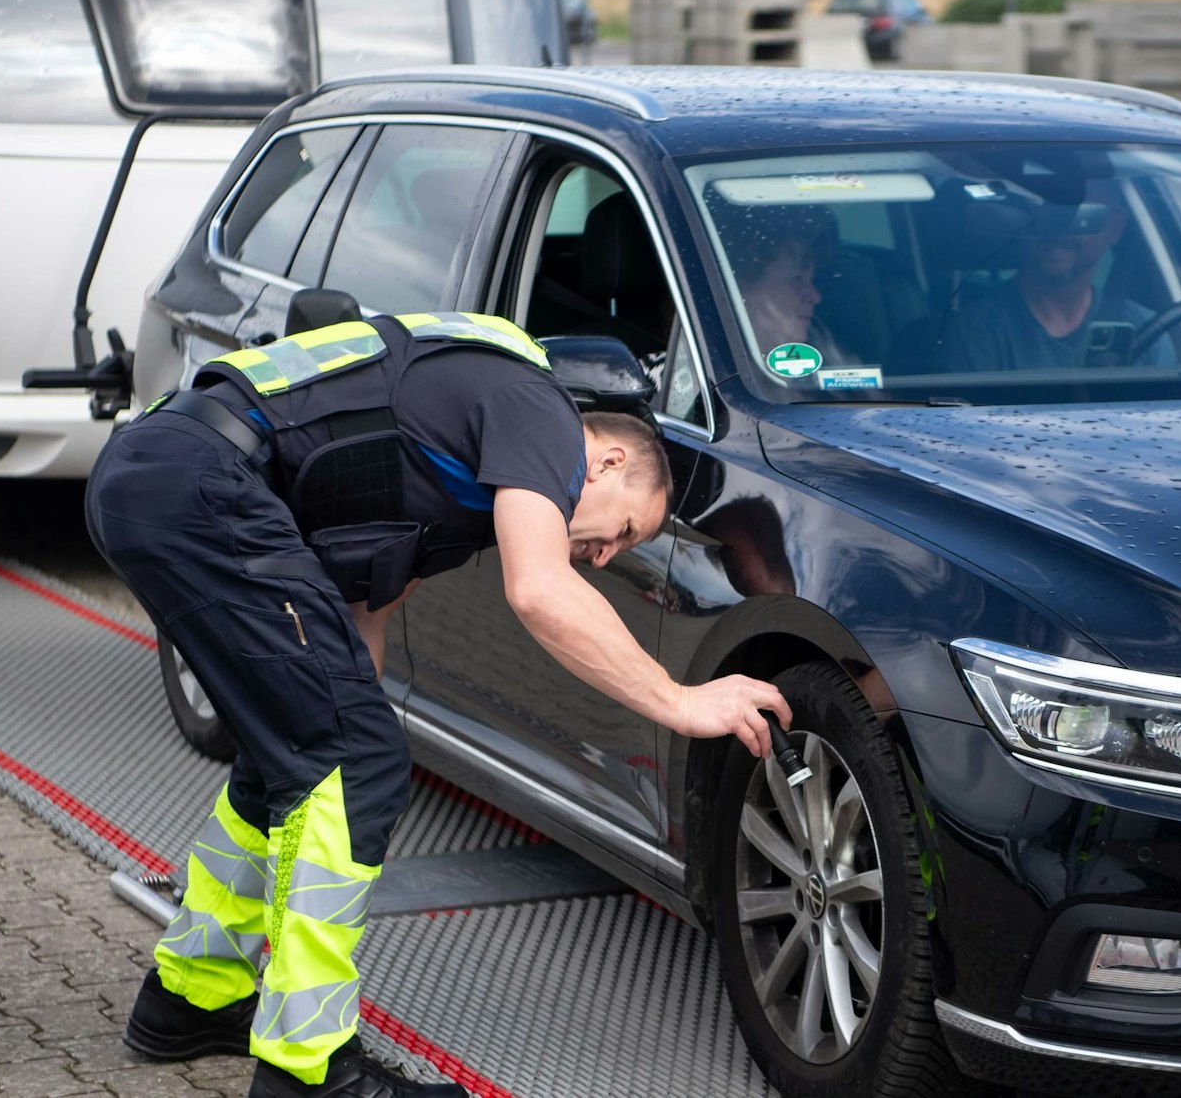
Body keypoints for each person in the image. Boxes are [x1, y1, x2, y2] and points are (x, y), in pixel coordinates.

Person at [85, 311, 790, 1098]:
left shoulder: (453, 488)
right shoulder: (538, 411)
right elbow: (541, 590)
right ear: (608, 459)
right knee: (353, 763)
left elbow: (362, 625)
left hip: (162, 476)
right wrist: (680, 699)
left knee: (301, 756)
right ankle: (307, 1068)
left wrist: (342, 732)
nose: (606, 555)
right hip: (197, 482)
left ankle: (192, 996)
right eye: (623, 529)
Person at [946, 180, 1171, 373]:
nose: (1058, 228)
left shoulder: (1147, 331)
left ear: (1115, 226)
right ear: (1024, 221)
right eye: (1044, 211)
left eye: (1078, 213)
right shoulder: (973, 332)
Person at [720, 204, 843, 354]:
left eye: (812, 280)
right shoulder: (694, 364)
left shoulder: (832, 357)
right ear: (742, 287)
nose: (815, 297)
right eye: (796, 278)